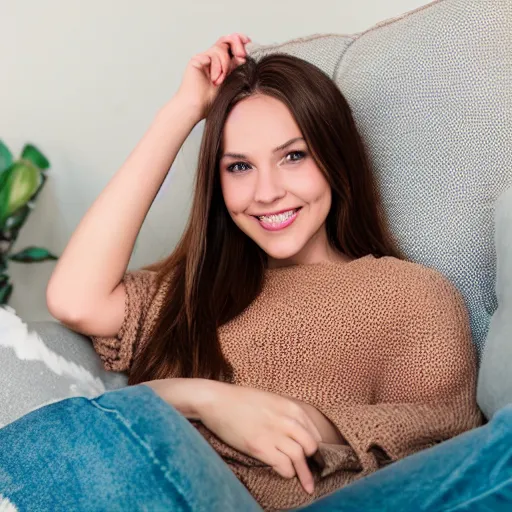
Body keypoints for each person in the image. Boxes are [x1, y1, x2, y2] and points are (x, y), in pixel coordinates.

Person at [42, 33, 484, 510]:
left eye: (293, 156)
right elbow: (74, 299)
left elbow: (439, 443)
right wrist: (183, 112)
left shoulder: (409, 294)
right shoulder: (190, 292)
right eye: (238, 167)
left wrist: (277, 421)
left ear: (335, 159)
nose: (267, 192)